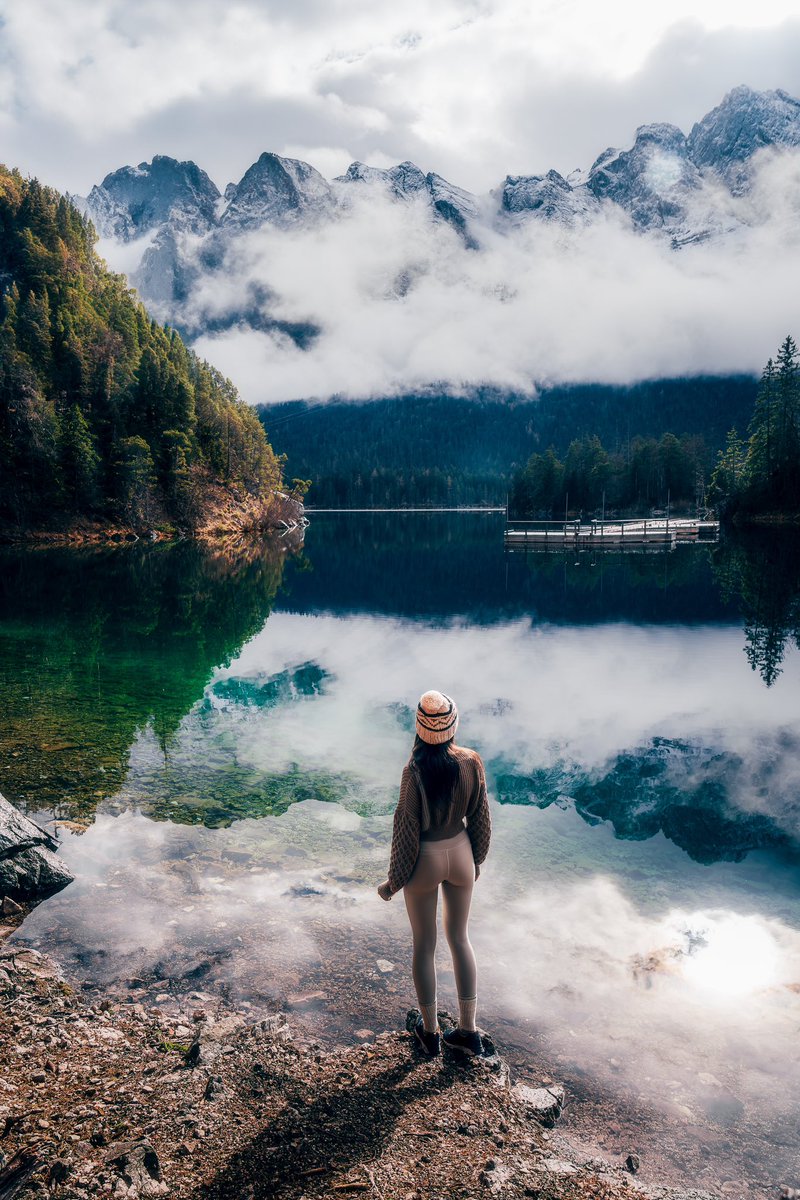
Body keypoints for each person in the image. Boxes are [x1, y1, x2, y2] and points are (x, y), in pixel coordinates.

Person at [377, 690, 491, 1058]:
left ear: (419, 729)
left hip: (424, 861)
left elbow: (405, 830)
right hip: (460, 853)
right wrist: (477, 860)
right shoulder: (472, 761)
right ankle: (468, 1031)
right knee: (461, 939)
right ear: (453, 726)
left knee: (424, 946)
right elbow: (480, 817)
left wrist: (393, 881)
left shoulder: (413, 771)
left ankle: (430, 1033)